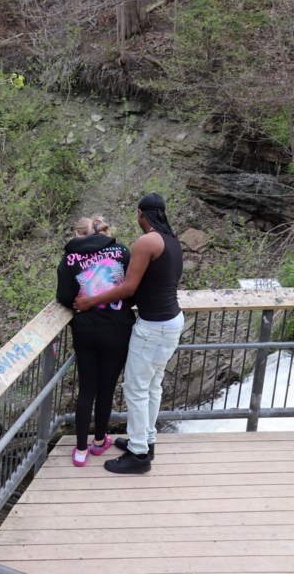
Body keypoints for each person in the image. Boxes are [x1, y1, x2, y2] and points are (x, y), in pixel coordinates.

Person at [74, 193, 184, 474]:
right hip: (172, 321)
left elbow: (128, 287)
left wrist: (89, 301)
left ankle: (138, 455)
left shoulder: (147, 241)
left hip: (153, 326)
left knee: (135, 388)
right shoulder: (171, 239)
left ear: (140, 214)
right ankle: (146, 441)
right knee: (153, 385)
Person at [56, 215, 135, 467]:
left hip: (86, 330)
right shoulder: (122, 251)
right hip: (118, 328)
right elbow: (132, 291)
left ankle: (80, 451)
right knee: (107, 388)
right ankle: (100, 442)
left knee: (87, 389)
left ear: (79, 234)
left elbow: (65, 296)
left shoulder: (69, 258)